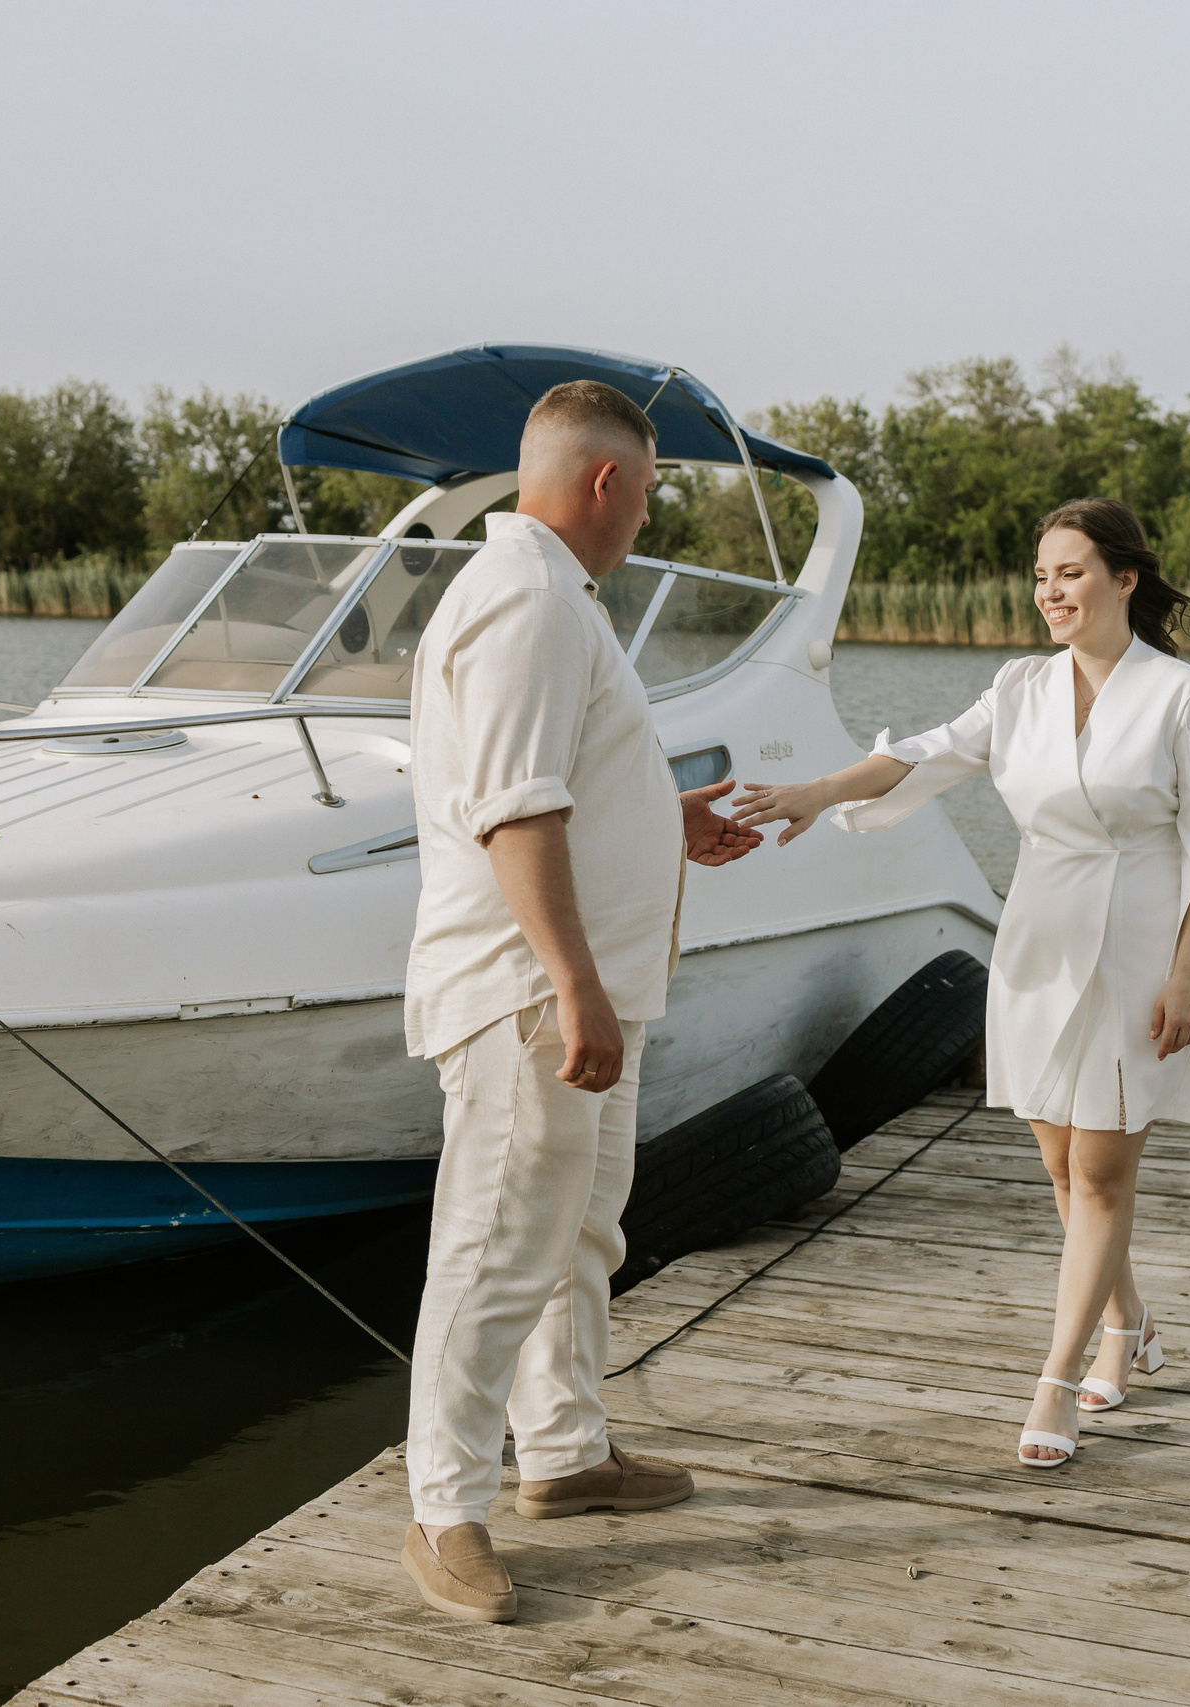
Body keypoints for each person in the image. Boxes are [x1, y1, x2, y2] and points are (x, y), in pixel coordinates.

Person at [734, 497, 1190, 1470]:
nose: (1050, 592)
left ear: (1124, 579)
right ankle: (1127, 1325)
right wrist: (813, 792)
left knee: (1102, 1175)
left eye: (1070, 572)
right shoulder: (1019, 687)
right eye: (1040, 575)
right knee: (1064, 1172)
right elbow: (923, 754)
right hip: (1037, 948)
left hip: (1138, 952)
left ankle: (1056, 1378)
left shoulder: (1183, 698)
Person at [399, 379, 762, 1622]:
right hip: (524, 995)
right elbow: (512, 811)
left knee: (579, 1234)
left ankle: (563, 1454)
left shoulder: (559, 598)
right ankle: (442, 1507)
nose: (648, 515)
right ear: (606, 481)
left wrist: (671, 822)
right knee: (498, 1242)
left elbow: (568, 785)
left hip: (581, 986)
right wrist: (572, 987)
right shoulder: (528, 601)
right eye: (651, 491)